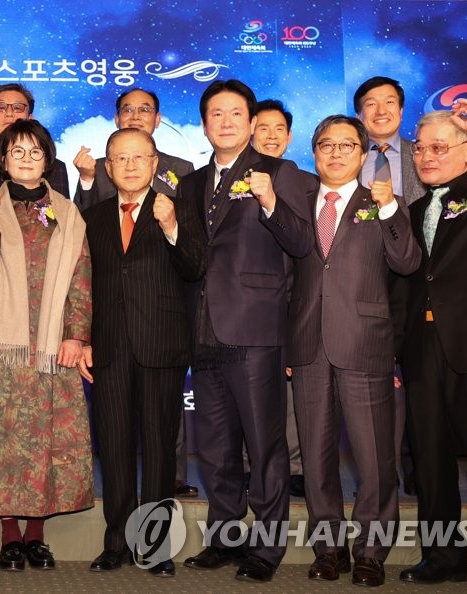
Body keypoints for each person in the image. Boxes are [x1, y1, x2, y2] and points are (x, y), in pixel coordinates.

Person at [179, 79, 313, 583]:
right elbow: (191, 256)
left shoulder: (280, 172)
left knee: (264, 446)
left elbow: (302, 244)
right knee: (216, 448)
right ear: (204, 124)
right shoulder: (191, 183)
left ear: (252, 122)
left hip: (256, 330)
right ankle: (225, 537)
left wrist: (272, 202)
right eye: (216, 114)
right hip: (203, 331)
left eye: (236, 113)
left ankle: (267, 547)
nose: (226, 122)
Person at [287, 115, 420, 586]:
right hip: (307, 347)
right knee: (316, 460)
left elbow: (407, 262)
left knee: (375, 458)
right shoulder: (296, 207)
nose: (336, 153)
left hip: (365, 345)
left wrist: (389, 210)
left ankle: (371, 552)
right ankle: (329, 550)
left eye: (347, 146)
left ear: (363, 155)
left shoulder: (383, 203)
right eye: (327, 145)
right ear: (314, 153)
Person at [0, 119, 92, 572]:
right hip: (5, 342)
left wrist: (76, 334)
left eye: (35, 151)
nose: (27, 159)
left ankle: (37, 536)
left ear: (47, 159)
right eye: (17, 151)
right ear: (4, 159)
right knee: (8, 439)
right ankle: (10, 536)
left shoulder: (67, 212)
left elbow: (81, 277)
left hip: (54, 341)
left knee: (47, 439)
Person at [79, 127, 205, 576]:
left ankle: (153, 545)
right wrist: (81, 338)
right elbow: (81, 286)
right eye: (120, 158)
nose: (130, 166)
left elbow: (196, 266)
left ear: (155, 163)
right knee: (113, 448)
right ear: (107, 167)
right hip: (108, 347)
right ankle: (115, 542)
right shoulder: (92, 217)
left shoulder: (178, 209)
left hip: (161, 345)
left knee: (158, 450)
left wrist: (171, 227)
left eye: (139, 157)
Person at [399, 102, 467, 594]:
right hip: (423, 348)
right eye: (420, 149)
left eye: (439, 147)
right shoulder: (415, 211)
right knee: (430, 459)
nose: (427, 157)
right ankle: (443, 557)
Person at [354, 76, 423, 497]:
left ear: (401, 109)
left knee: (417, 373)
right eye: (371, 103)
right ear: (359, 112)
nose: (381, 111)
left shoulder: (423, 154)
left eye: (390, 102)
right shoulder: (346, 154)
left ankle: (417, 464)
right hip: (364, 277)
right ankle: (377, 469)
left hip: (417, 276)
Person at [250, 98, 310, 498]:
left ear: (289, 137)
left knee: (290, 390)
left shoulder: (306, 181)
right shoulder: (233, 179)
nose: (271, 136)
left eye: (279, 129)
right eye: (263, 128)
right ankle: (252, 465)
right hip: (250, 304)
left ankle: (295, 466)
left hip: (295, 298)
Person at [73, 87, 194, 212]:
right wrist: (86, 179)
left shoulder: (182, 169)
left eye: (144, 110)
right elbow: (79, 219)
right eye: (128, 110)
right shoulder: (97, 169)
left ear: (157, 119)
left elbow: (190, 218)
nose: (135, 117)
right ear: (117, 119)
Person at [0, 83, 70, 197]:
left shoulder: (55, 168)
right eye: (1, 107)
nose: (9, 113)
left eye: (18, 108)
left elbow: (61, 207)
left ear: (30, 119)